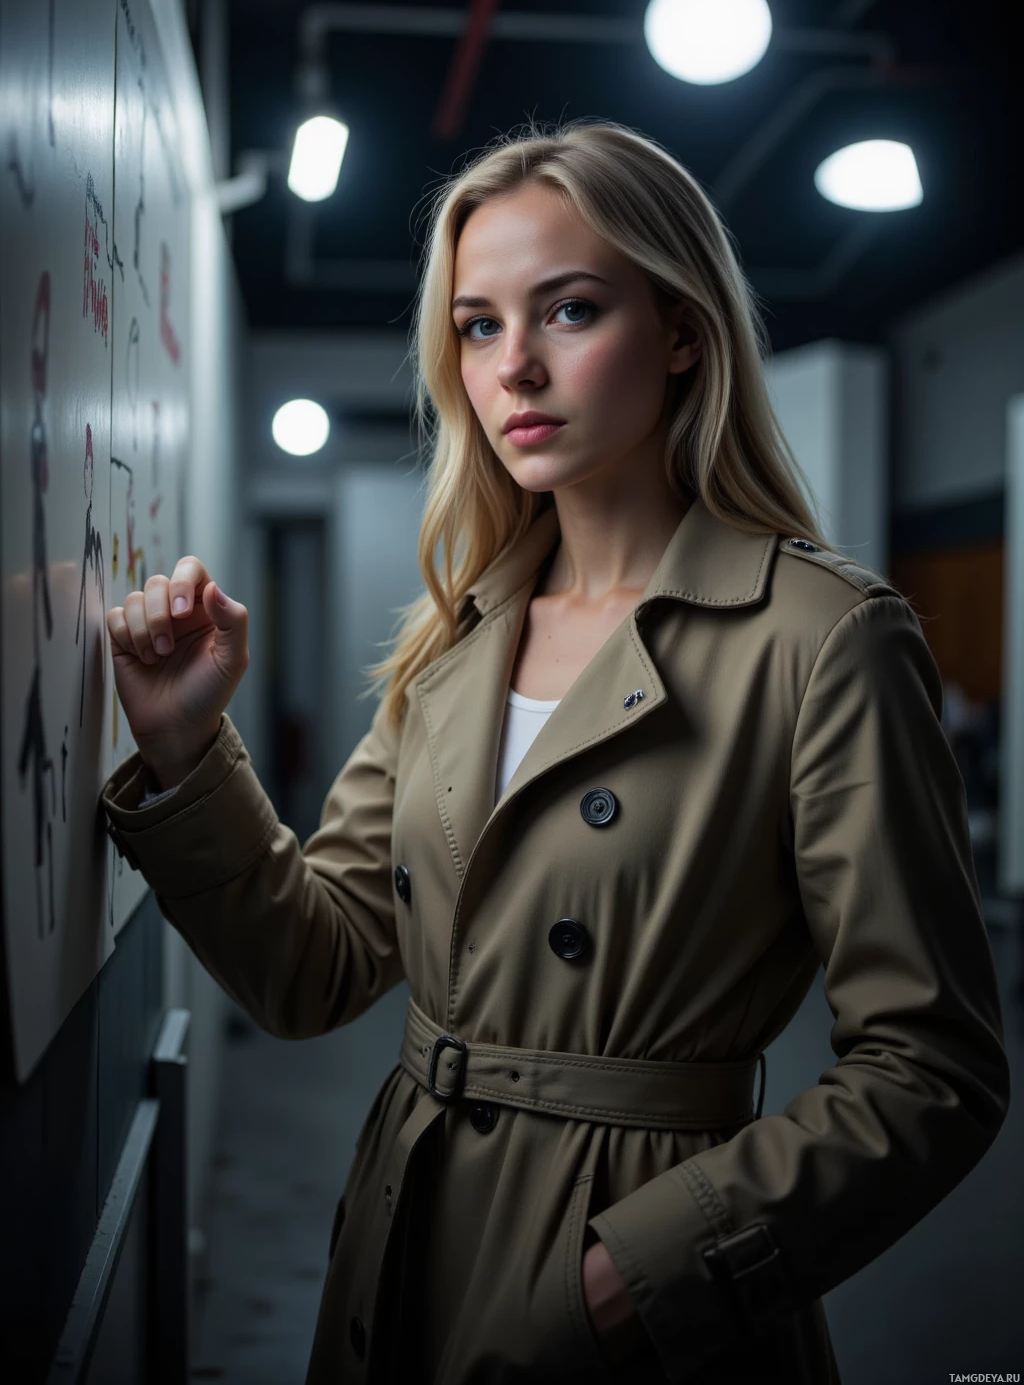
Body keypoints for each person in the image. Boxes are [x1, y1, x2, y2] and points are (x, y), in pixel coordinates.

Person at [101, 121, 1010, 1385]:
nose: (515, 366)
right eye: (478, 326)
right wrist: (188, 749)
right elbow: (311, 970)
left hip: (636, 1269)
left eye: (568, 310)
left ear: (682, 331)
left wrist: (634, 1277)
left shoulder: (821, 637)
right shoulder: (456, 636)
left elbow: (932, 1070)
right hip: (403, 1237)